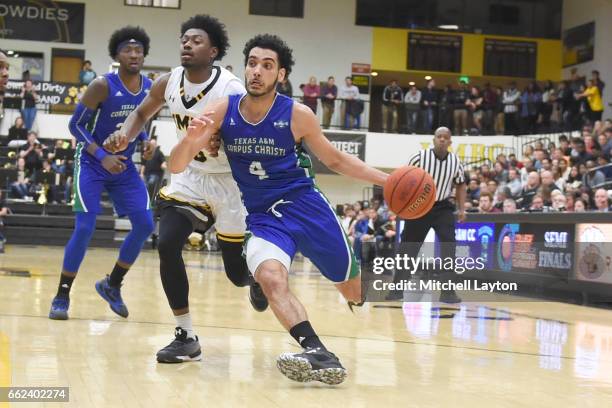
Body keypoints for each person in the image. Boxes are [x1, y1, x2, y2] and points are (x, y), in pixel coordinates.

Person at [168, 34, 388, 385]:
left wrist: (387, 182)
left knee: (356, 292)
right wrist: (190, 139)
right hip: (263, 217)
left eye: (267, 66)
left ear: (280, 75)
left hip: (308, 209)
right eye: (252, 63)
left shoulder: (297, 114)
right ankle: (317, 350)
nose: (257, 71)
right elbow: (177, 165)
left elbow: (335, 159)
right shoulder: (224, 110)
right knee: (270, 278)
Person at [104, 15, 268, 363]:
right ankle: (185, 335)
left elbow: (250, 132)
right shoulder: (169, 81)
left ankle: (254, 277)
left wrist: (222, 140)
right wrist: (125, 135)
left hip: (229, 182)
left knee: (235, 274)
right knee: (166, 243)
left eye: (195, 40)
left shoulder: (231, 88)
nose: (187, 44)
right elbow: (141, 113)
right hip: (190, 177)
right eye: (184, 39)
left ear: (213, 51)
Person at [47, 26, 156, 321]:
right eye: (127, 50)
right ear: (116, 55)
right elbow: (75, 126)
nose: (134, 54)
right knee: (85, 228)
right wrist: (102, 155)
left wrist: (146, 143)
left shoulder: (149, 87)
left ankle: (112, 284)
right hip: (93, 162)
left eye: (138, 50)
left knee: (145, 225)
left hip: (123, 164)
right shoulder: (101, 85)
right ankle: (62, 294)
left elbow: (139, 121)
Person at [387, 127, 466, 303]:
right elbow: (404, 181)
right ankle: (397, 290)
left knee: (449, 248)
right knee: (408, 248)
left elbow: (461, 185)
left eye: (446, 137)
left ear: (450, 142)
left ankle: (448, 292)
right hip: (419, 206)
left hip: (443, 207)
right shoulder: (419, 157)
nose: (442, 140)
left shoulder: (456, 161)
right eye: (439, 137)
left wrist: (462, 209)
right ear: (434, 139)